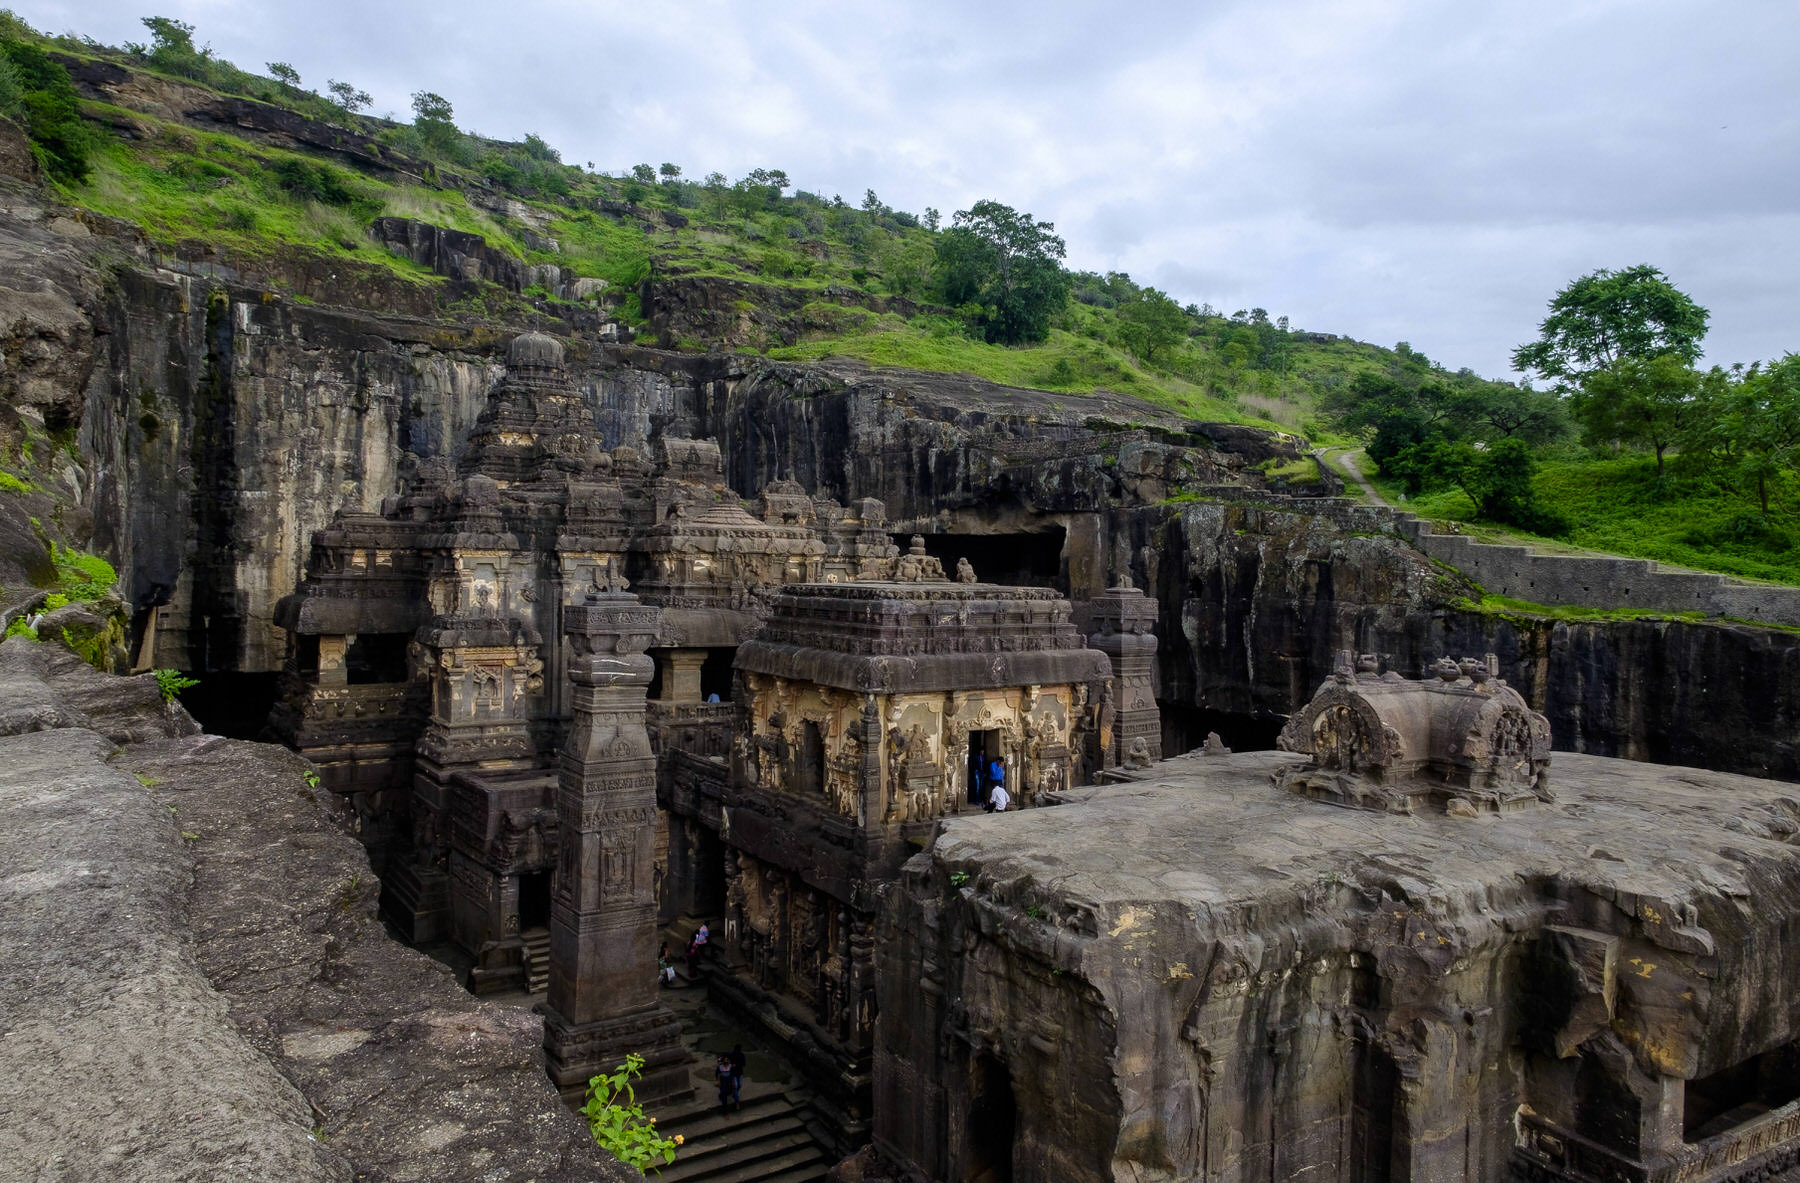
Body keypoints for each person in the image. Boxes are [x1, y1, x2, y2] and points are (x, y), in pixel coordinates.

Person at [727, 1044, 746, 1110]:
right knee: (736, 1086)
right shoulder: (731, 1054)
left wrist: (736, 1065)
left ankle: (734, 1094)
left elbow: (744, 1064)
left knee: (739, 1085)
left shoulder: (742, 1055)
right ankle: (737, 1102)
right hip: (733, 1074)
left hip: (739, 1073)